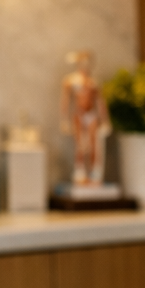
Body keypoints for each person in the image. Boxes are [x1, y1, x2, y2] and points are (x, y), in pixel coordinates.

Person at [59, 50, 110, 186]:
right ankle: (80, 172)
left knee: (94, 145)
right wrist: (64, 120)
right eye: (83, 63)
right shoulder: (71, 81)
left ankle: (95, 173)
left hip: (91, 115)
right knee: (80, 144)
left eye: (88, 63)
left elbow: (100, 103)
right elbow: (65, 101)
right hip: (79, 115)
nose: (85, 66)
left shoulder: (93, 83)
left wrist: (105, 121)